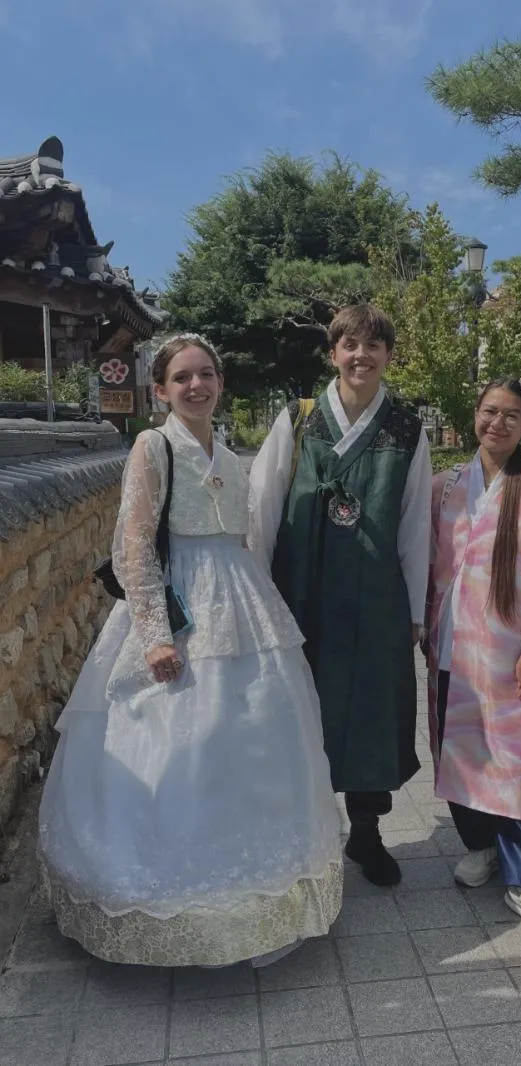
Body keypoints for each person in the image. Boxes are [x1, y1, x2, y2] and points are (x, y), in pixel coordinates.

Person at [39, 333, 342, 967]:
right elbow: (134, 546)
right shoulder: (153, 448)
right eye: (183, 378)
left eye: (207, 374)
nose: (197, 385)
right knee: (181, 746)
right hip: (182, 606)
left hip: (243, 600)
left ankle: (256, 896)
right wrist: (153, 636)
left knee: (254, 737)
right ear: (161, 390)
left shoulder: (231, 455)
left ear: (221, 382)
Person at [250, 305, 432, 887]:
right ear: (333, 353)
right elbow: (263, 510)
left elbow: (415, 522)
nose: (362, 356)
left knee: (372, 711)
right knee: (303, 705)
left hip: (376, 596)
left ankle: (366, 833)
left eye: (374, 346)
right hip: (302, 588)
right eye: (350, 345)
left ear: (388, 356)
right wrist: (259, 594)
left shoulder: (407, 426)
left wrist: (414, 608)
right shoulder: (299, 418)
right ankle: (300, 833)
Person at [425, 377, 521, 943]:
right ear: (475, 414)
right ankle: (481, 846)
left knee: (518, 756)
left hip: (511, 649)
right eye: (489, 411)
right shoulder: (443, 487)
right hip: (450, 645)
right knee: (460, 750)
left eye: (511, 415)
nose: (498, 423)